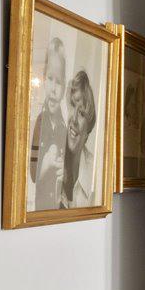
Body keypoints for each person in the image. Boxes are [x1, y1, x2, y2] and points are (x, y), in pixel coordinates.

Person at [31, 36, 68, 208]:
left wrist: (63, 173)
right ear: (44, 79)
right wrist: (45, 165)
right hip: (39, 211)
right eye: (50, 78)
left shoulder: (64, 128)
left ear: (64, 87)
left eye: (59, 82)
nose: (53, 88)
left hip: (57, 208)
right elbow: (32, 175)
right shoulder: (39, 122)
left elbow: (66, 175)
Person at [60, 69, 98, 208]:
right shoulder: (50, 156)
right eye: (72, 106)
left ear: (88, 132)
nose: (74, 118)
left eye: (81, 113)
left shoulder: (95, 173)